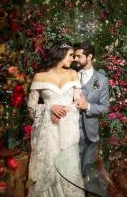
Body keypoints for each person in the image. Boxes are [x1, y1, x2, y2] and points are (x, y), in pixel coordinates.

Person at [27, 42, 84, 197]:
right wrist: (49, 108)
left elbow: (78, 102)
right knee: (48, 167)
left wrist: (65, 110)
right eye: (71, 55)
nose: (73, 59)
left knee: (69, 168)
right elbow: (31, 107)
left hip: (68, 130)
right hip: (48, 131)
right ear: (60, 53)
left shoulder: (73, 74)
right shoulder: (40, 76)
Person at [72, 41, 110, 196]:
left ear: (89, 57)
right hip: (70, 133)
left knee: (89, 176)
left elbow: (105, 107)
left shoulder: (101, 80)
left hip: (90, 136)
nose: (75, 59)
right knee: (72, 174)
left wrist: (87, 106)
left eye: (78, 56)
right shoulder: (70, 75)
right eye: (74, 55)